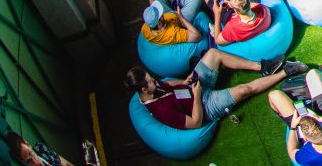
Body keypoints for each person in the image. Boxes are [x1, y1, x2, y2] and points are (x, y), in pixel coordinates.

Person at [125, 49, 308, 130]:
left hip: (193, 88)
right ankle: (287, 71)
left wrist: (184, 81)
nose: (154, 81)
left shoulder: (153, 86)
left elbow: (168, 84)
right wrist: (196, 96)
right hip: (204, 107)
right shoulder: (160, 111)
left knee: (212, 54)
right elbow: (195, 122)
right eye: (150, 81)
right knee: (244, 89)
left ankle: (262, 67)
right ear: (143, 89)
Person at [204, 0, 273, 46]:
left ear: (235, 11)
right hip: (244, 8)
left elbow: (218, 41)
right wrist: (234, 3)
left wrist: (217, 15)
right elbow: (251, 5)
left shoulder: (233, 28)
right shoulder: (263, 9)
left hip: (231, 16)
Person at [5, 130, 73, 166]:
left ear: (27, 143)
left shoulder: (41, 148)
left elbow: (67, 163)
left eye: (30, 154)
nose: (34, 161)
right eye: (28, 161)